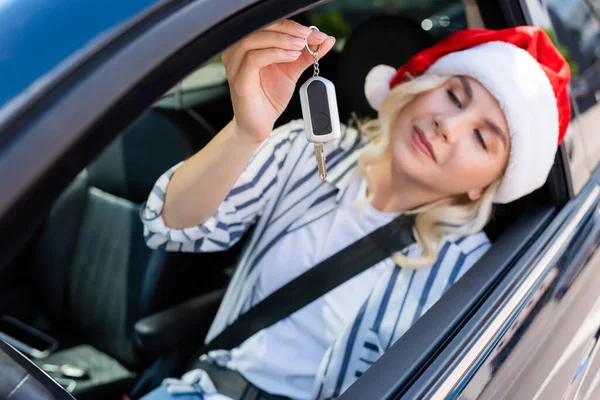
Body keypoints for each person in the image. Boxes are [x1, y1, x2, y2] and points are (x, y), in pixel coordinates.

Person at [139, 19, 570, 400]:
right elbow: (172, 228)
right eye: (455, 96)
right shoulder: (306, 151)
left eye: (482, 138)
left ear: (483, 187)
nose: (449, 126)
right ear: (420, 88)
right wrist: (244, 133)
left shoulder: (467, 274)